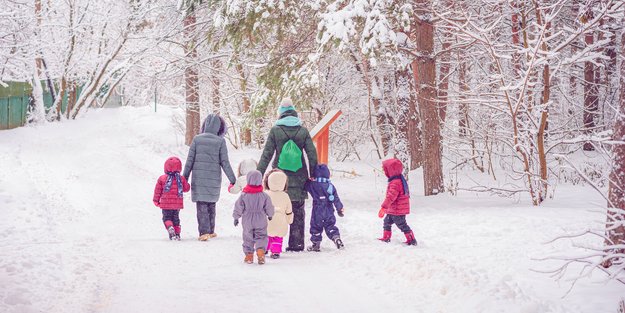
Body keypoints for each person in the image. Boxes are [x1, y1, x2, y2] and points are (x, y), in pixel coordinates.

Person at [257, 98, 318, 252]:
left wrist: (258, 175)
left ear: (281, 114)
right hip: (299, 177)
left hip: (278, 178)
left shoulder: (275, 131)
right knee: (297, 210)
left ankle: (272, 242)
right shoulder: (303, 131)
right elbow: (312, 154)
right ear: (294, 113)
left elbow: (267, 155)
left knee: (276, 209)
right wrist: (313, 174)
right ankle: (296, 244)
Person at [182, 114, 236, 241]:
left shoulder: (197, 139)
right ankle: (211, 230)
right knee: (211, 204)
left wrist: (184, 177)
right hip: (214, 179)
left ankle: (204, 232)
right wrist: (233, 180)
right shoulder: (220, 141)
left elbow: (190, 160)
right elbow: (225, 163)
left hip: (199, 179)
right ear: (219, 127)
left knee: (201, 206)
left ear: (205, 125)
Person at [233, 170, 275, 264]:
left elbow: (239, 206)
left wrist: (236, 217)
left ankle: (249, 255)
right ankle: (260, 252)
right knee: (261, 235)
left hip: (247, 218)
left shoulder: (244, 195)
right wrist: (270, 215)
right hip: (260, 218)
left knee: (248, 236)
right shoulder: (264, 195)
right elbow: (269, 206)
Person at [377, 158, 418, 246]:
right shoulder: (397, 180)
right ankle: (386, 237)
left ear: (391, 171)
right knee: (387, 222)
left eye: (386, 170)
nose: (385, 172)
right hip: (394, 210)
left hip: (397, 210)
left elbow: (391, 197)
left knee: (402, 225)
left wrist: (384, 207)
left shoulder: (395, 182)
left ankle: (412, 239)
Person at [305, 164, 345, 251]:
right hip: (329, 210)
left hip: (317, 210)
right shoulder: (331, 186)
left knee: (316, 227)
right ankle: (336, 238)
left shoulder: (313, 184)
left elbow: (306, 186)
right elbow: (336, 198)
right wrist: (339, 208)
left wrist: (308, 180)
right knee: (330, 226)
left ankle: (316, 244)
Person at [153, 156, 190, 240]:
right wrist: (186, 182)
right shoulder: (181, 179)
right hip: (177, 205)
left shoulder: (162, 178)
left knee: (167, 218)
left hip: (166, 204)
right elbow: (186, 188)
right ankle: (177, 234)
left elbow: (157, 191)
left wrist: (156, 200)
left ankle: (170, 227)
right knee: (176, 219)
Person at [263, 169, 293, 259]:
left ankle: (264, 248)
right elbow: (289, 210)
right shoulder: (285, 196)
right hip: (280, 221)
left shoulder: (265, 194)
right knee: (277, 237)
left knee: (266, 235)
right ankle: (275, 251)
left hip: (267, 220)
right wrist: (289, 219)